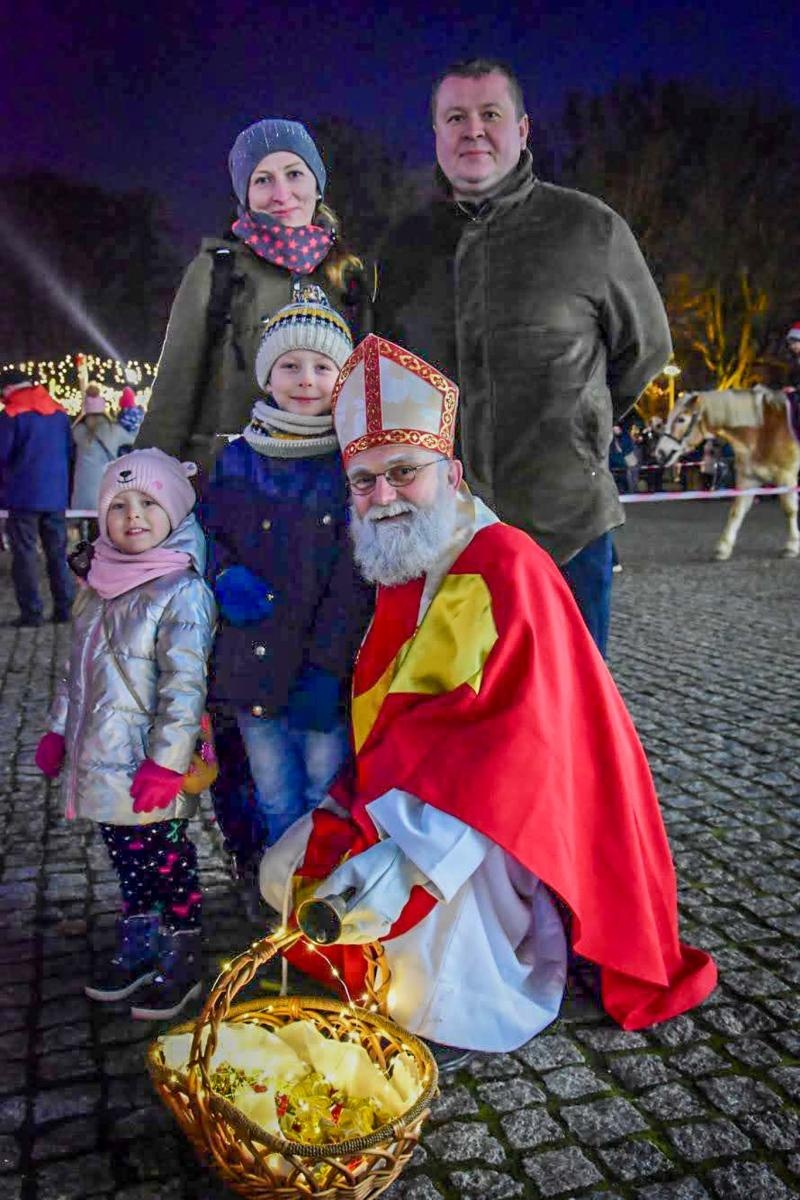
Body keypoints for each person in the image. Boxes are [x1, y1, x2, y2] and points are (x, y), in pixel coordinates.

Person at [259, 335, 717, 1066]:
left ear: (452, 473)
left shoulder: (502, 563)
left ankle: (464, 1009)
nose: (383, 499)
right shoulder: (411, 560)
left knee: (419, 914)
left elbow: (519, 746)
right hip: (436, 793)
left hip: (506, 812)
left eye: (402, 473)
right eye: (364, 482)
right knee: (290, 868)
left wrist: (405, 844)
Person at [373, 58, 672, 656]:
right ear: (435, 133)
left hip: (566, 527)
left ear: (524, 128)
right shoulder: (402, 247)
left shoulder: (590, 229)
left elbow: (646, 349)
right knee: (457, 727)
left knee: (567, 724)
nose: (473, 130)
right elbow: (384, 371)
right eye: (455, 117)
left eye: (491, 114)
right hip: (440, 533)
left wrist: (580, 428)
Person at [201, 286, 373, 903]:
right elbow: (208, 531)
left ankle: (328, 896)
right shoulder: (238, 458)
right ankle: (281, 897)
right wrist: (223, 574)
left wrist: (330, 666)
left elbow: (357, 576)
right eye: (290, 365)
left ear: (341, 378)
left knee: (323, 789)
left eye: (322, 366)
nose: (306, 379)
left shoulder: (351, 462)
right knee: (272, 791)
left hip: (320, 666)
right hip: (252, 666)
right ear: (267, 375)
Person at [34, 449, 216, 1020]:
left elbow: (184, 689)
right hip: (102, 761)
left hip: (147, 769)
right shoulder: (97, 587)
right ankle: (140, 939)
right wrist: (58, 730)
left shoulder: (182, 592)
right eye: (118, 506)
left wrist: (166, 762)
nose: (132, 517)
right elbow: (76, 670)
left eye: (148, 504)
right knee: (127, 859)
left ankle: (182, 948)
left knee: (167, 859)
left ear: (174, 512)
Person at [137, 118, 373, 473]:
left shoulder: (351, 275)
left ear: (317, 184)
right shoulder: (217, 271)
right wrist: (143, 481)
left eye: (294, 174)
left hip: (327, 486)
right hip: (226, 485)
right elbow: (173, 392)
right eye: (263, 180)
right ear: (245, 194)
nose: (281, 194)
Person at [0, 370, 75, 627]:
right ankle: (65, 608)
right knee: (57, 553)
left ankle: (32, 612)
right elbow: (69, 451)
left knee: (25, 555)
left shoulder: (11, 415)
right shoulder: (59, 411)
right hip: (55, 495)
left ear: (7, 389)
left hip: (22, 496)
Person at [71, 385, 134, 512]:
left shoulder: (77, 431)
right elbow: (134, 439)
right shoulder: (114, 431)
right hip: (107, 493)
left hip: (80, 496)